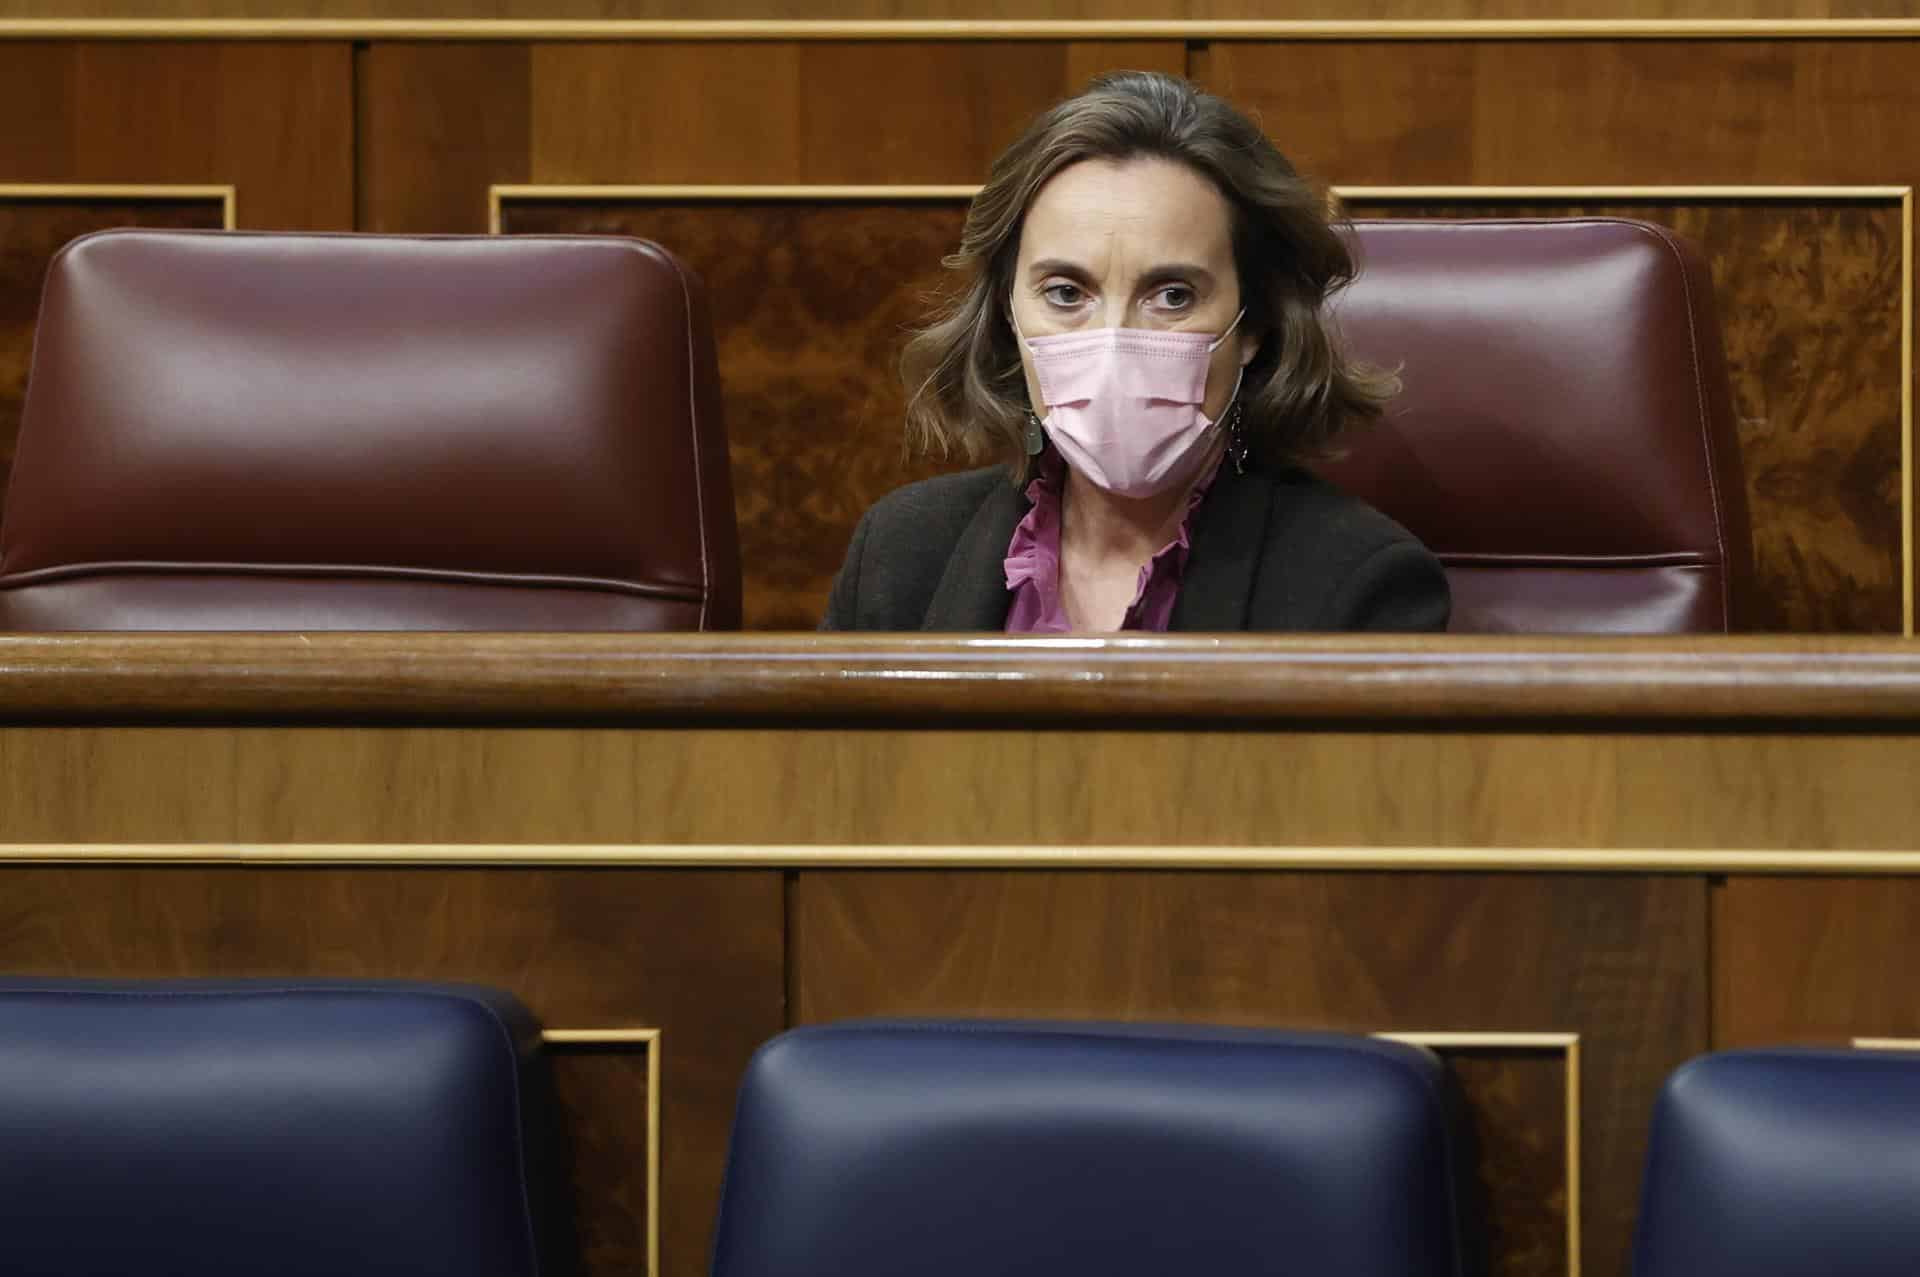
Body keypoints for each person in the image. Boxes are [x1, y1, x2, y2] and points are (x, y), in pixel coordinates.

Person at [822, 71, 1449, 633]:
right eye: (1067, 292)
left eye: (1172, 296)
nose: (1113, 343)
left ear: (1254, 321)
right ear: (1008, 315)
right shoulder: (900, 553)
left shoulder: (1358, 585)